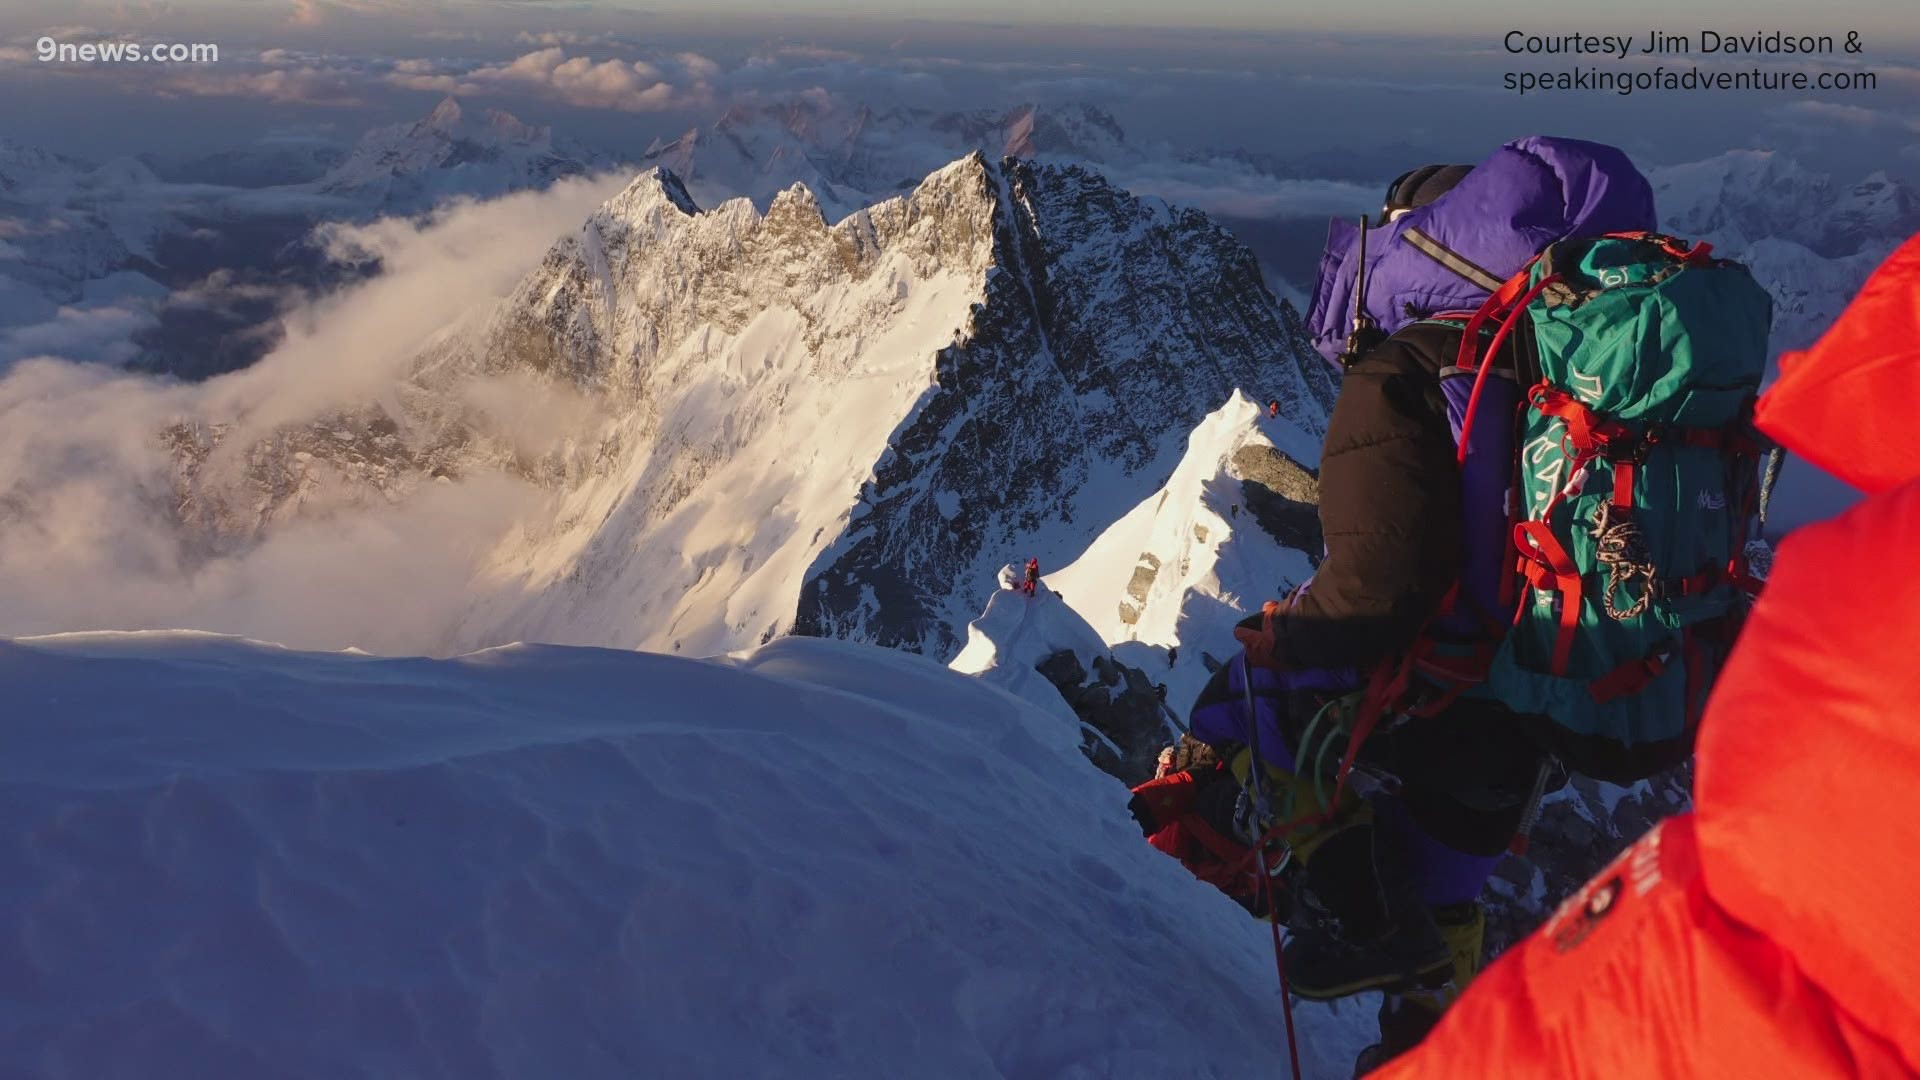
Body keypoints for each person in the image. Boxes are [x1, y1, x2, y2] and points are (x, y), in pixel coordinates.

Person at [1153, 138, 1664, 1067]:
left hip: (1448, 686)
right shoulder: (1582, 362)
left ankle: (1302, 901)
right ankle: (1434, 1031)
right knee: (1451, 879)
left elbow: (1373, 594)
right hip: (1560, 688)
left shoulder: (1409, 371)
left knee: (1257, 694)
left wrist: (1274, 655)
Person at [1367, 231, 1920, 1079]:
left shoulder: (1866, 611)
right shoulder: (1861, 582)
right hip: (1662, 682)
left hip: (1549, 695)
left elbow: (1721, 983)